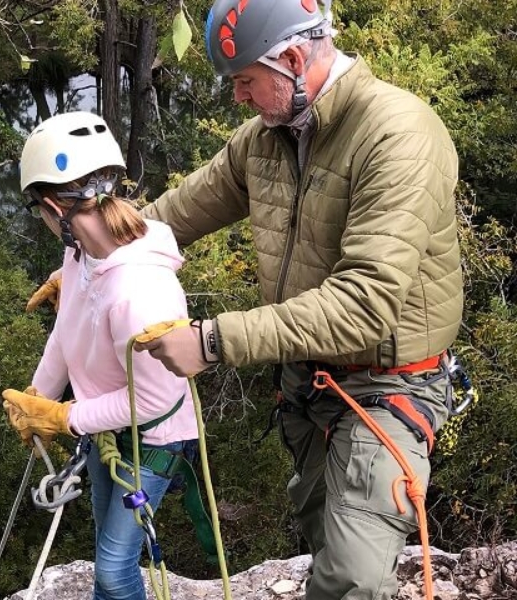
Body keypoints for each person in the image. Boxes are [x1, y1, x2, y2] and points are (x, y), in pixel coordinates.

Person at [130, 0, 462, 598]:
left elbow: (364, 303)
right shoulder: (266, 139)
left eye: (245, 83)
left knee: (350, 580)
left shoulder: (396, 134)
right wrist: (95, 260)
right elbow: (173, 215)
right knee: (323, 541)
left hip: (387, 386)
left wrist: (213, 340)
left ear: (289, 59)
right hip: (308, 386)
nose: (239, 99)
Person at [1, 111, 200, 600]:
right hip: (107, 430)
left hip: (154, 441)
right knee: (104, 553)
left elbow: (155, 402)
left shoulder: (139, 291)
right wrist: (37, 395)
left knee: (114, 569)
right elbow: (67, 332)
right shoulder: (82, 257)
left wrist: (66, 416)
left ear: (53, 207)